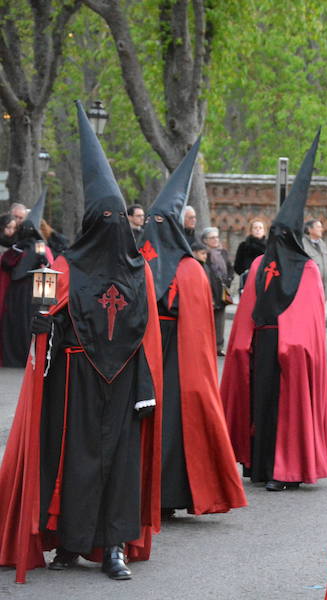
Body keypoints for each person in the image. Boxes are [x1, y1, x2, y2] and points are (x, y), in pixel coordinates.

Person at [0, 101, 163, 582]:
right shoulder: (64, 267)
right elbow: (43, 312)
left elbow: (147, 335)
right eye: (105, 218)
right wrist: (41, 322)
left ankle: (112, 545)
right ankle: (69, 540)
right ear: (94, 223)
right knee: (72, 459)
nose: (115, 226)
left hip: (123, 385)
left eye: (120, 218)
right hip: (72, 383)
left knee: (117, 463)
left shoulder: (141, 274)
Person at [137, 139, 246, 519]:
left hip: (175, 360)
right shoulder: (137, 262)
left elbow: (199, 331)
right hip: (142, 355)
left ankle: (169, 495)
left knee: (173, 425)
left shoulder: (189, 270)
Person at [220, 131, 327, 492]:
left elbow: (309, 320)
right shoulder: (263, 266)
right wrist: (247, 343)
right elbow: (248, 310)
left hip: (282, 349)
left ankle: (282, 469)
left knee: (281, 406)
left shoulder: (304, 269)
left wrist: (288, 345)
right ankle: (263, 465)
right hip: (266, 346)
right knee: (265, 406)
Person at [0, 192, 53, 367]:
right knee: (16, 322)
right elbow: (8, 263)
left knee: (25, 322)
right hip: (18, 289)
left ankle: (24, 356)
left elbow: (45, 263)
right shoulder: (17, 246)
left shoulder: (38, 246)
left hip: (30, 289)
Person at [200, 226, 233, 355]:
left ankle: (219, 346)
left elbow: (230, 267)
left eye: (217, 237)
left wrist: (229, 280)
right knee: (208, 320)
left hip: (222, 290)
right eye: (212, 238)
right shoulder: (204, 253)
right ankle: (207, 346)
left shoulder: (223, 252)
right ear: (205, 240)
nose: (215, 240)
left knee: (220, 319)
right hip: (210, 289)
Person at [302, 218, 327, 299]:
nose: (321, 229)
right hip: (309, 288)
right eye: (318, 227)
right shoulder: (302, 244)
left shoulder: (323, 244)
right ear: (310, 229)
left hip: (324, 288)